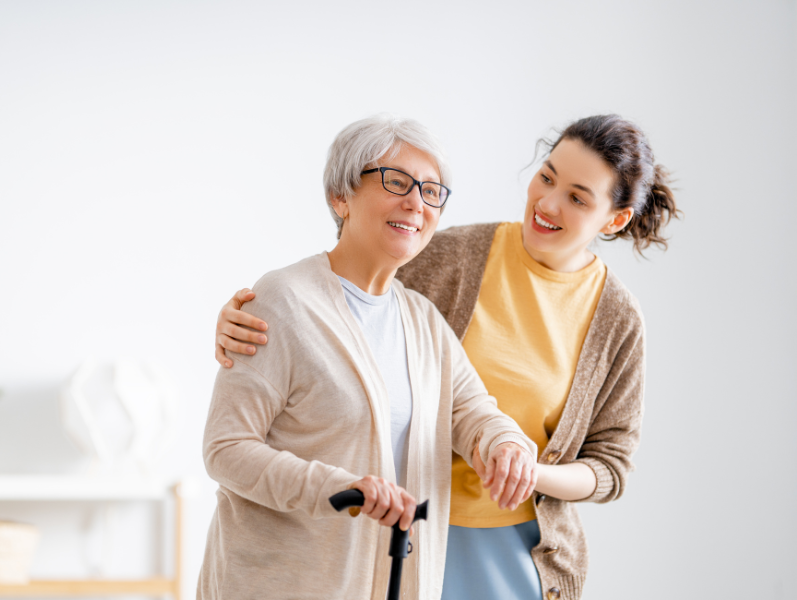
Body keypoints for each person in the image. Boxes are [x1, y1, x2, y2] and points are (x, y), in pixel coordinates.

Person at [212, 114, 680, 600]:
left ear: (615, 219)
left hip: (477, 543)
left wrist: (515, 456)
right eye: (546, 177)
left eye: (578, 198)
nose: (548, 203)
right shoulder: (446, 256)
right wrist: (250, 314)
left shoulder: (431, 319)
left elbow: (475, 410)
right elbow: (332, 301)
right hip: (364, 540)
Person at [197, 114, 536, 600]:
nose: (416, 202)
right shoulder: (282, 300)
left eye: (431, 191)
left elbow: (473, 412)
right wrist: (343, 488)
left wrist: (506, 445)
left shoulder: (423, 321)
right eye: (396, 181)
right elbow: (226, 448)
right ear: (341, 196)